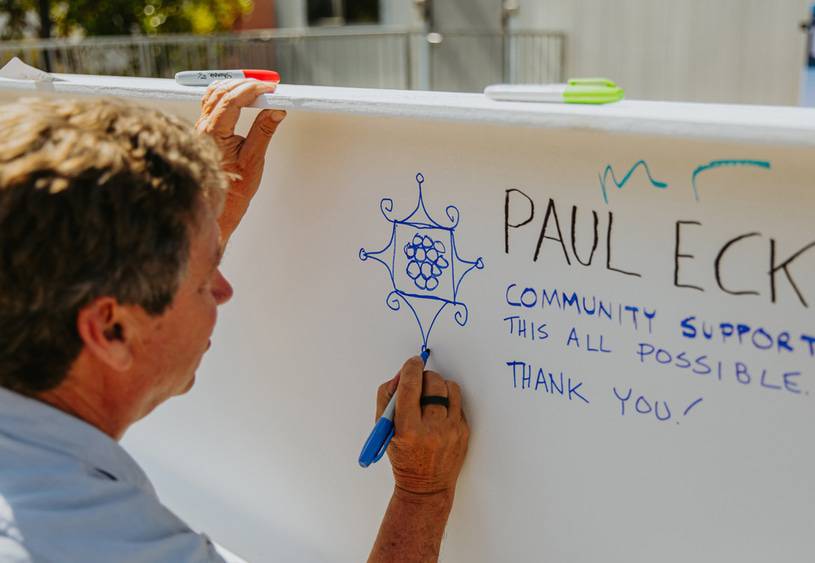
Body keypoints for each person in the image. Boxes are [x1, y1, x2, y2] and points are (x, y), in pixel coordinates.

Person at [0, 80, 469, 563]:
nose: (225, 292)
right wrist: (421, 494)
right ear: (112, 329)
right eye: (205, 280)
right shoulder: (110, 546)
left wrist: (194, 219)